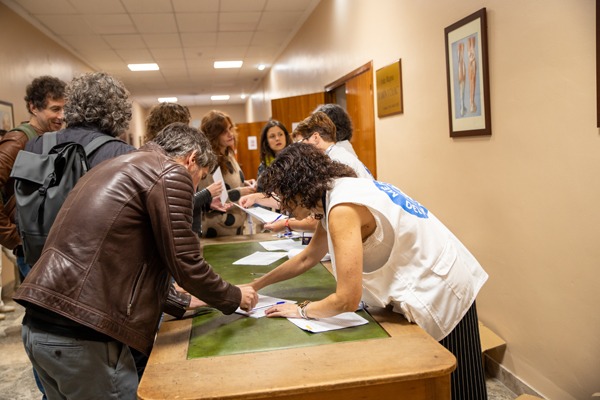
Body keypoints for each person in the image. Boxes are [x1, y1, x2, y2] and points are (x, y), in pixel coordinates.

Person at [14, 122, 258, 399]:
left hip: (40, 327)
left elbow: (120, 258)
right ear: (191, 159)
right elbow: (186, 262)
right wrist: (234, 296)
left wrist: (182, 300)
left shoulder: (115, 166)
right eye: (199, 177)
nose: (195, 187)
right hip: (84, 336)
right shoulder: (170, 171)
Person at [249, 143, 489, 400]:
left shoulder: (342, 208)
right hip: (441, 274)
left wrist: (301, 310)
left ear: (298, 186)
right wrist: (255, 286)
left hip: (442, 288)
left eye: (282, 195)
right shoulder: (337, 192)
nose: (282, 204)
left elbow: (347, 299)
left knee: (459, 386)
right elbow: (307, 257)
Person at [0, 76, 66, 282]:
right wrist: (13, 239)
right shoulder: (18, 141)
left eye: (64, 110)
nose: (61, 116)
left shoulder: (48, 139)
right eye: (55, 109)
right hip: (29, 249)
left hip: (45, 245)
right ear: (33, 107)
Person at [144, 102, 227, 235]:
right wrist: (207, 193)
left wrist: (207, 202)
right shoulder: (165, 163)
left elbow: (189, 197)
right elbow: (175, 203)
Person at [198, 110, 256, 237]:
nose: (230, 134)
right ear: (213, 136)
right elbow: (210, 198)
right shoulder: (208, 162)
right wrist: (240, 192)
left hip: (236, 224)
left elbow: (228, 183)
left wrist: (245, 183)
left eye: (230, 128)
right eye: (224, 132)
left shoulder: (228, 154)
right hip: (219, 228)